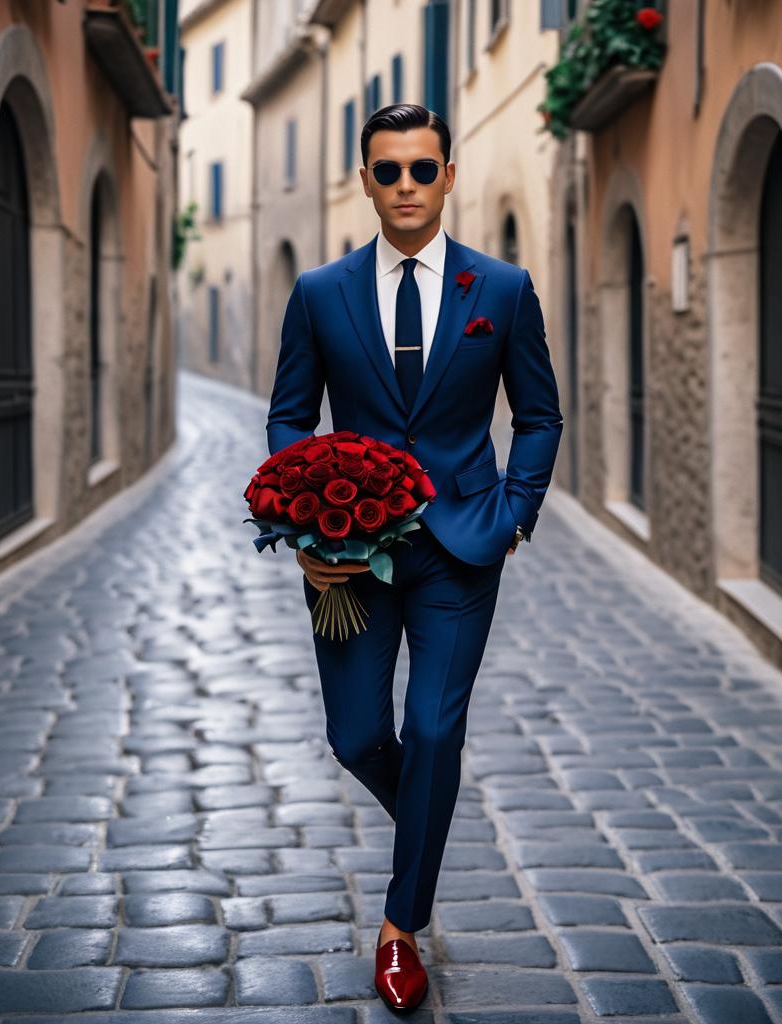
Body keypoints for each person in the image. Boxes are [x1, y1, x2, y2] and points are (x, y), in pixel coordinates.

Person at [265, 102, 562, 1011]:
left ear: (447, 176)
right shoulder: (320, 291)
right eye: (387, 170)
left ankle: (402, 927)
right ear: (363, 180)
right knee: (356, 736)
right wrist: (304, 529)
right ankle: (426, 820)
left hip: (462, 551)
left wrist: (512, 516)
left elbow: (539, 415)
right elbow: (289, 416)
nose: (405, 186)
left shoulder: (502, 290)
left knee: (434, 732)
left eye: (421, 170)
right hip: (348, 559)